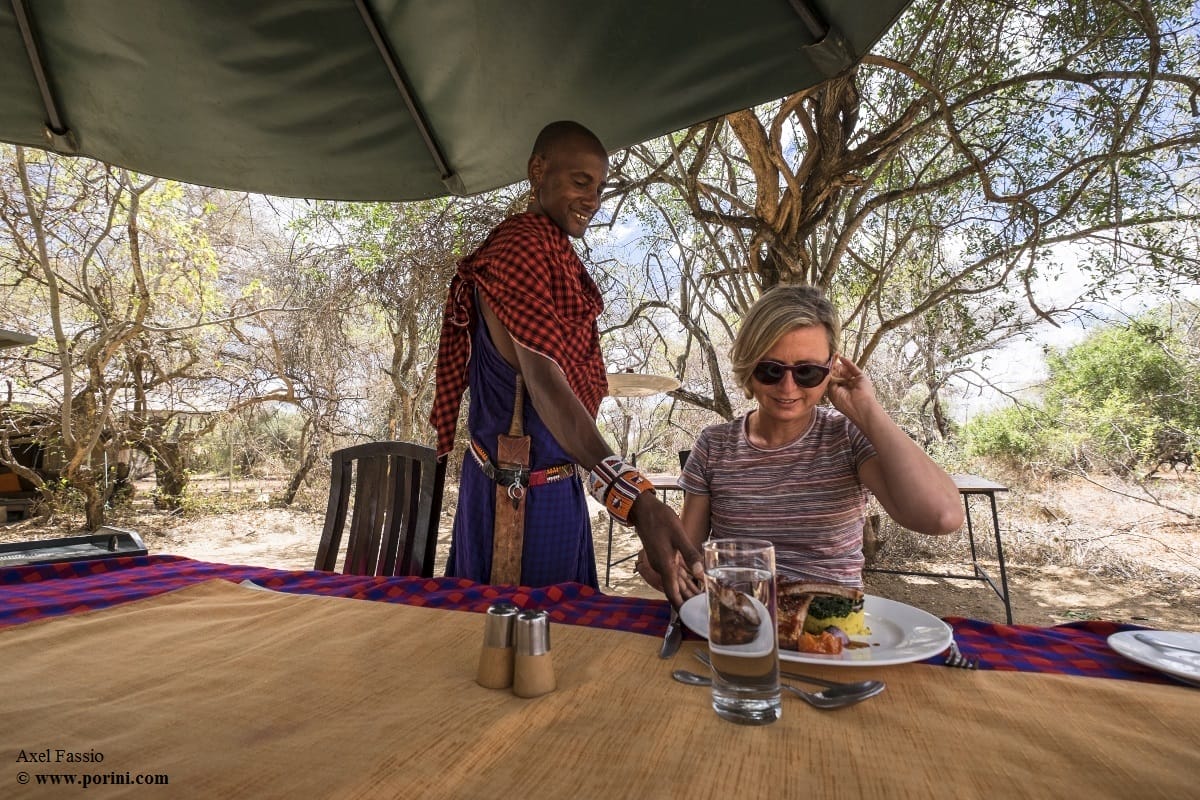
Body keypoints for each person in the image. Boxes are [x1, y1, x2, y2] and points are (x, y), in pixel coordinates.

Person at [430, 120, 701, 604]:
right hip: (514, 497)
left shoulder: (554, 256)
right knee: (521, 646)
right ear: (538, 171)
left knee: (555, 649)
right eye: (581, 181)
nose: (593, 198)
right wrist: (637, 501)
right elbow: (547, 386)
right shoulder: (519, 249)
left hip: (552, 486)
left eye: (600, 186)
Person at [637, 284, 964, 598]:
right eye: (770, 370)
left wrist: (866, 411)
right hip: (739, 625)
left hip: (831, 632)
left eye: (807, 371)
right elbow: (689, 556)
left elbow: (941, 517)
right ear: (749, 366)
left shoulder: (848, 437)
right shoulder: (714, 445)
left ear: (831, 367)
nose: (788, 387)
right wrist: (662, 562)